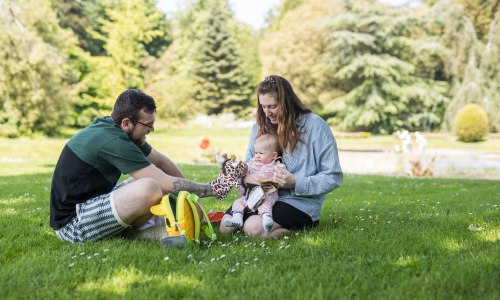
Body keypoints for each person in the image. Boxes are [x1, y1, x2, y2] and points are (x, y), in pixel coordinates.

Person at [50, 89, 223, 243]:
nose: (152, 129)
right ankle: (134, 233)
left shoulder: (114, 127)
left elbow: (162, 162)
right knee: (149, 186)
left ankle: (144, 226)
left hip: (94, 203)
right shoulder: (114, 141)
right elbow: (166, 184)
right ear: (126, 123)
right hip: (73, 225)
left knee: (155, 175)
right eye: (148, 124)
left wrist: (195, 201)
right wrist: (215, 189)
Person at [220, 75, 343, 238]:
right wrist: (245, 179)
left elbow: (333, 177)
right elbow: (248, 165)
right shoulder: (260, 125)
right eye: (263, 107)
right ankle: (261, 222)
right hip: (259, 196)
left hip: (298, 201)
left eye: (272, 106)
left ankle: (298, 227)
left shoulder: (316, 126)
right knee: (225, 227)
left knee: (251, 229)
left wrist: (295, 182)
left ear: (287, 102)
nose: (267, 113)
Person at [224, 134, 286, 233]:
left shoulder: (276, 164)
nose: (257, 156)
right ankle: (237, 219)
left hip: (268, 195)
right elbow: (244, 169)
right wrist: (235, 166)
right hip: (251, 196)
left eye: (261, 153)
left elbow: (283, 174)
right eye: (256, 152)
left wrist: (279, 174)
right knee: (238, 202)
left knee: (265, 204)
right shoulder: (253, 162)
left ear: (274, 155)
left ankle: (267, 219)